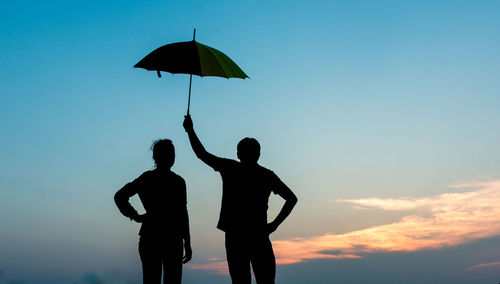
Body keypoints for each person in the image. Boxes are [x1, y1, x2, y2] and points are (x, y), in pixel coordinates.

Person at [183, 115, 297, 284]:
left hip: (236, 236)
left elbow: (202, 154)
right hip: (258, 235)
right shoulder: (266, 175)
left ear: (238, 154)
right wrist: (273, 225)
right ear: (258, 154)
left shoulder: (230, 168)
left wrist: (190, 130)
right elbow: (292, 199)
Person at [114, 139, 192, 284]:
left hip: (161, 237)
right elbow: (182, 213)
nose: (171, 158)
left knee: (153, 279)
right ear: (157, 157)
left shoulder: (152, 179)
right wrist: (134, 215)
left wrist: (134, 215)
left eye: (172, 154)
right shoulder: (176, 181)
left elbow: (183, 212)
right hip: (167, 238)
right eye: (168, 154)